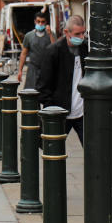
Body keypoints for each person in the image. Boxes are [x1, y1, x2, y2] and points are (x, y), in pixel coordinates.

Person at [36, 15, 88, 145]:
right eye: (77, 34)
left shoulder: (85, 49)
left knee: (91, 151)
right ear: (66, 32)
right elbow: (43, 86)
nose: (81, 37)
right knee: (53, 149)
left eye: (83, 33)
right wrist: (52, 111)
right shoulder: (53, 52)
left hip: (82, 113)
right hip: (60, 113)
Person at [18, 12, 55, 91]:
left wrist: (50, 34)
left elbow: (55, 49)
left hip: (46, 69)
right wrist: (20, 70)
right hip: (33, 68)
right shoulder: (29, 36)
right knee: (31, 93)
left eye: (42, 22)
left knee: (47, 93)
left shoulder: (51, 34)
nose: (40, 24)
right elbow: (23, 54)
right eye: (38, 21)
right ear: (35, 21)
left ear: (46, 22)